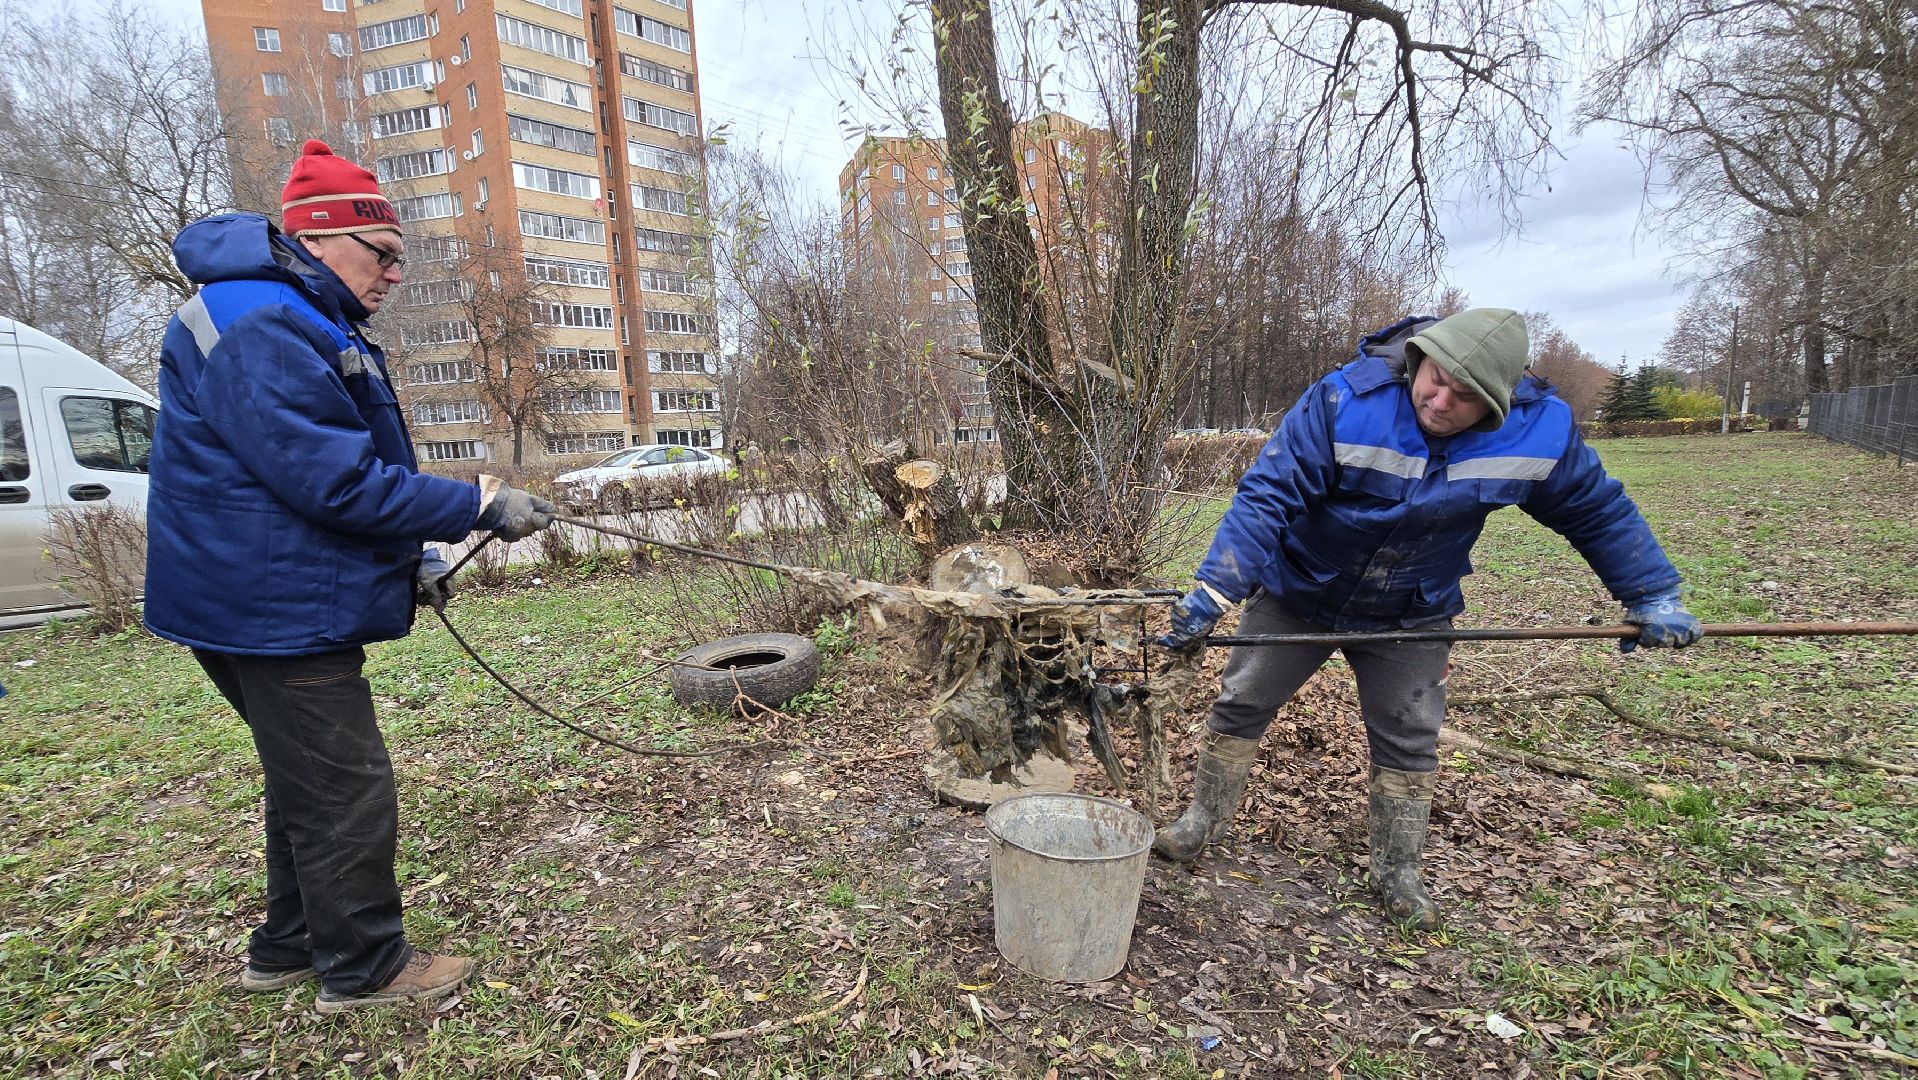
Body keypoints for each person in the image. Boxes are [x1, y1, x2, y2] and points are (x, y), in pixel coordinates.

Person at [145, 140, 558, 1012]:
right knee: (344, 789)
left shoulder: (298, 315)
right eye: (385, 254)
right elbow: (332, 482)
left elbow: (333, 466)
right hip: (270, 607)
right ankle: (364, 969)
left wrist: (419, 553)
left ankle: (289, 946)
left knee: (306, 779)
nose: (395, 274)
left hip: (266, 594)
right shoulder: (261, 322)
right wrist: (480, 504)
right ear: (324, 237)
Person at [1152, 308, 1701, 929]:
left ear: (1498, 403)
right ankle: (1202, 821)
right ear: (1420, 356)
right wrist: (1215, 589)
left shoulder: (1538, 432)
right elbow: (1269, 493)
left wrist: (1653, 592)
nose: (1438, 401)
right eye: (1434, 378)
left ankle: (1397, 873)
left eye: (1464, 397)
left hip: (1413, 607)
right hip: (1302, 589)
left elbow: (1596, 510)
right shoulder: (1345, 401)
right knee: (1242, 700)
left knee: (1410, 731)